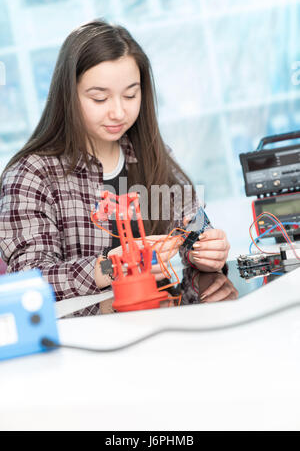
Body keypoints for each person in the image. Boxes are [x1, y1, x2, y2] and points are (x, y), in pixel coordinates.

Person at [0, 19, 230, 315]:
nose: (118, 111)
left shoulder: (150, 155)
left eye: (131, 95)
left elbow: (194, 229)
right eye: (99, 98)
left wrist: (209, 250)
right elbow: (27, 280)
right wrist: (112, 266)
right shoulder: (32, 173)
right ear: (68, 96)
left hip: (162, 326)